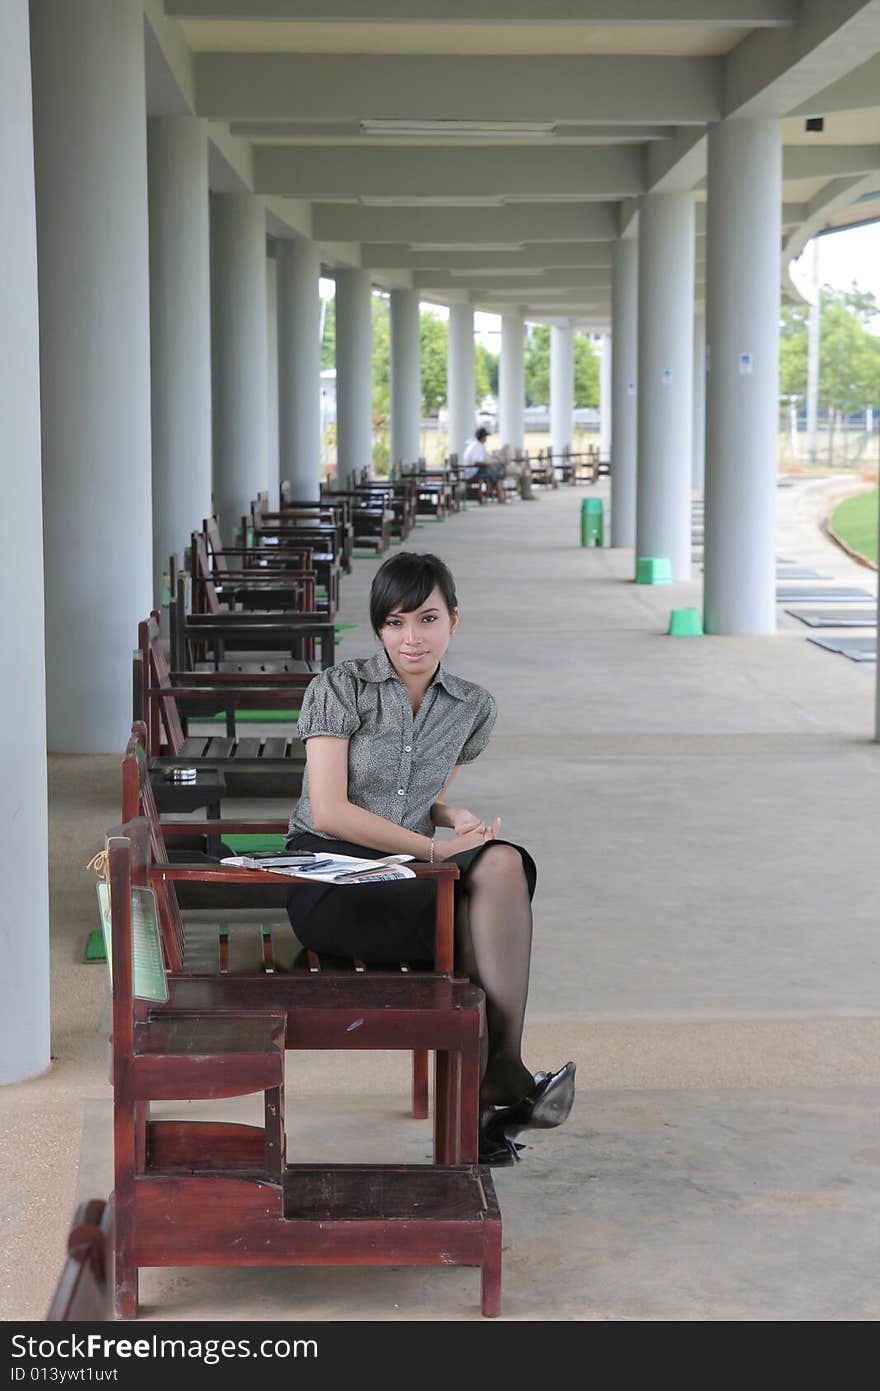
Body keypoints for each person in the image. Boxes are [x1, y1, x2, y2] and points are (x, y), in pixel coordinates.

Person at [284, 550, 575, 1164]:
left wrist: (449, 817)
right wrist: (434, 848)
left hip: (410, 870)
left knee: (500, 864)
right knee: (467, 904)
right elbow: (331, 810)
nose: (410, 637)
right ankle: (492, 1089)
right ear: (378, 628)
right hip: (333, 876)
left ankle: (501, 1066)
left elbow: (422, 795)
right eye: (394, 622)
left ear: (454, 621)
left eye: (426, 618)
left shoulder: (473, 707)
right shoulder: (339, 688)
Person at [461, 426, 507, 503]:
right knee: (493, 470)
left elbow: (485, 457)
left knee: (495, 469)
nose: (486, 438)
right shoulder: (477, 446)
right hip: (471, 472)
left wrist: (493, 461)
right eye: (486, 436)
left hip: (474, 470)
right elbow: (476, 461)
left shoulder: (478, 445)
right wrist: (489, 464)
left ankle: (496, 491)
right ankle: (498, 492)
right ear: (482, 437)